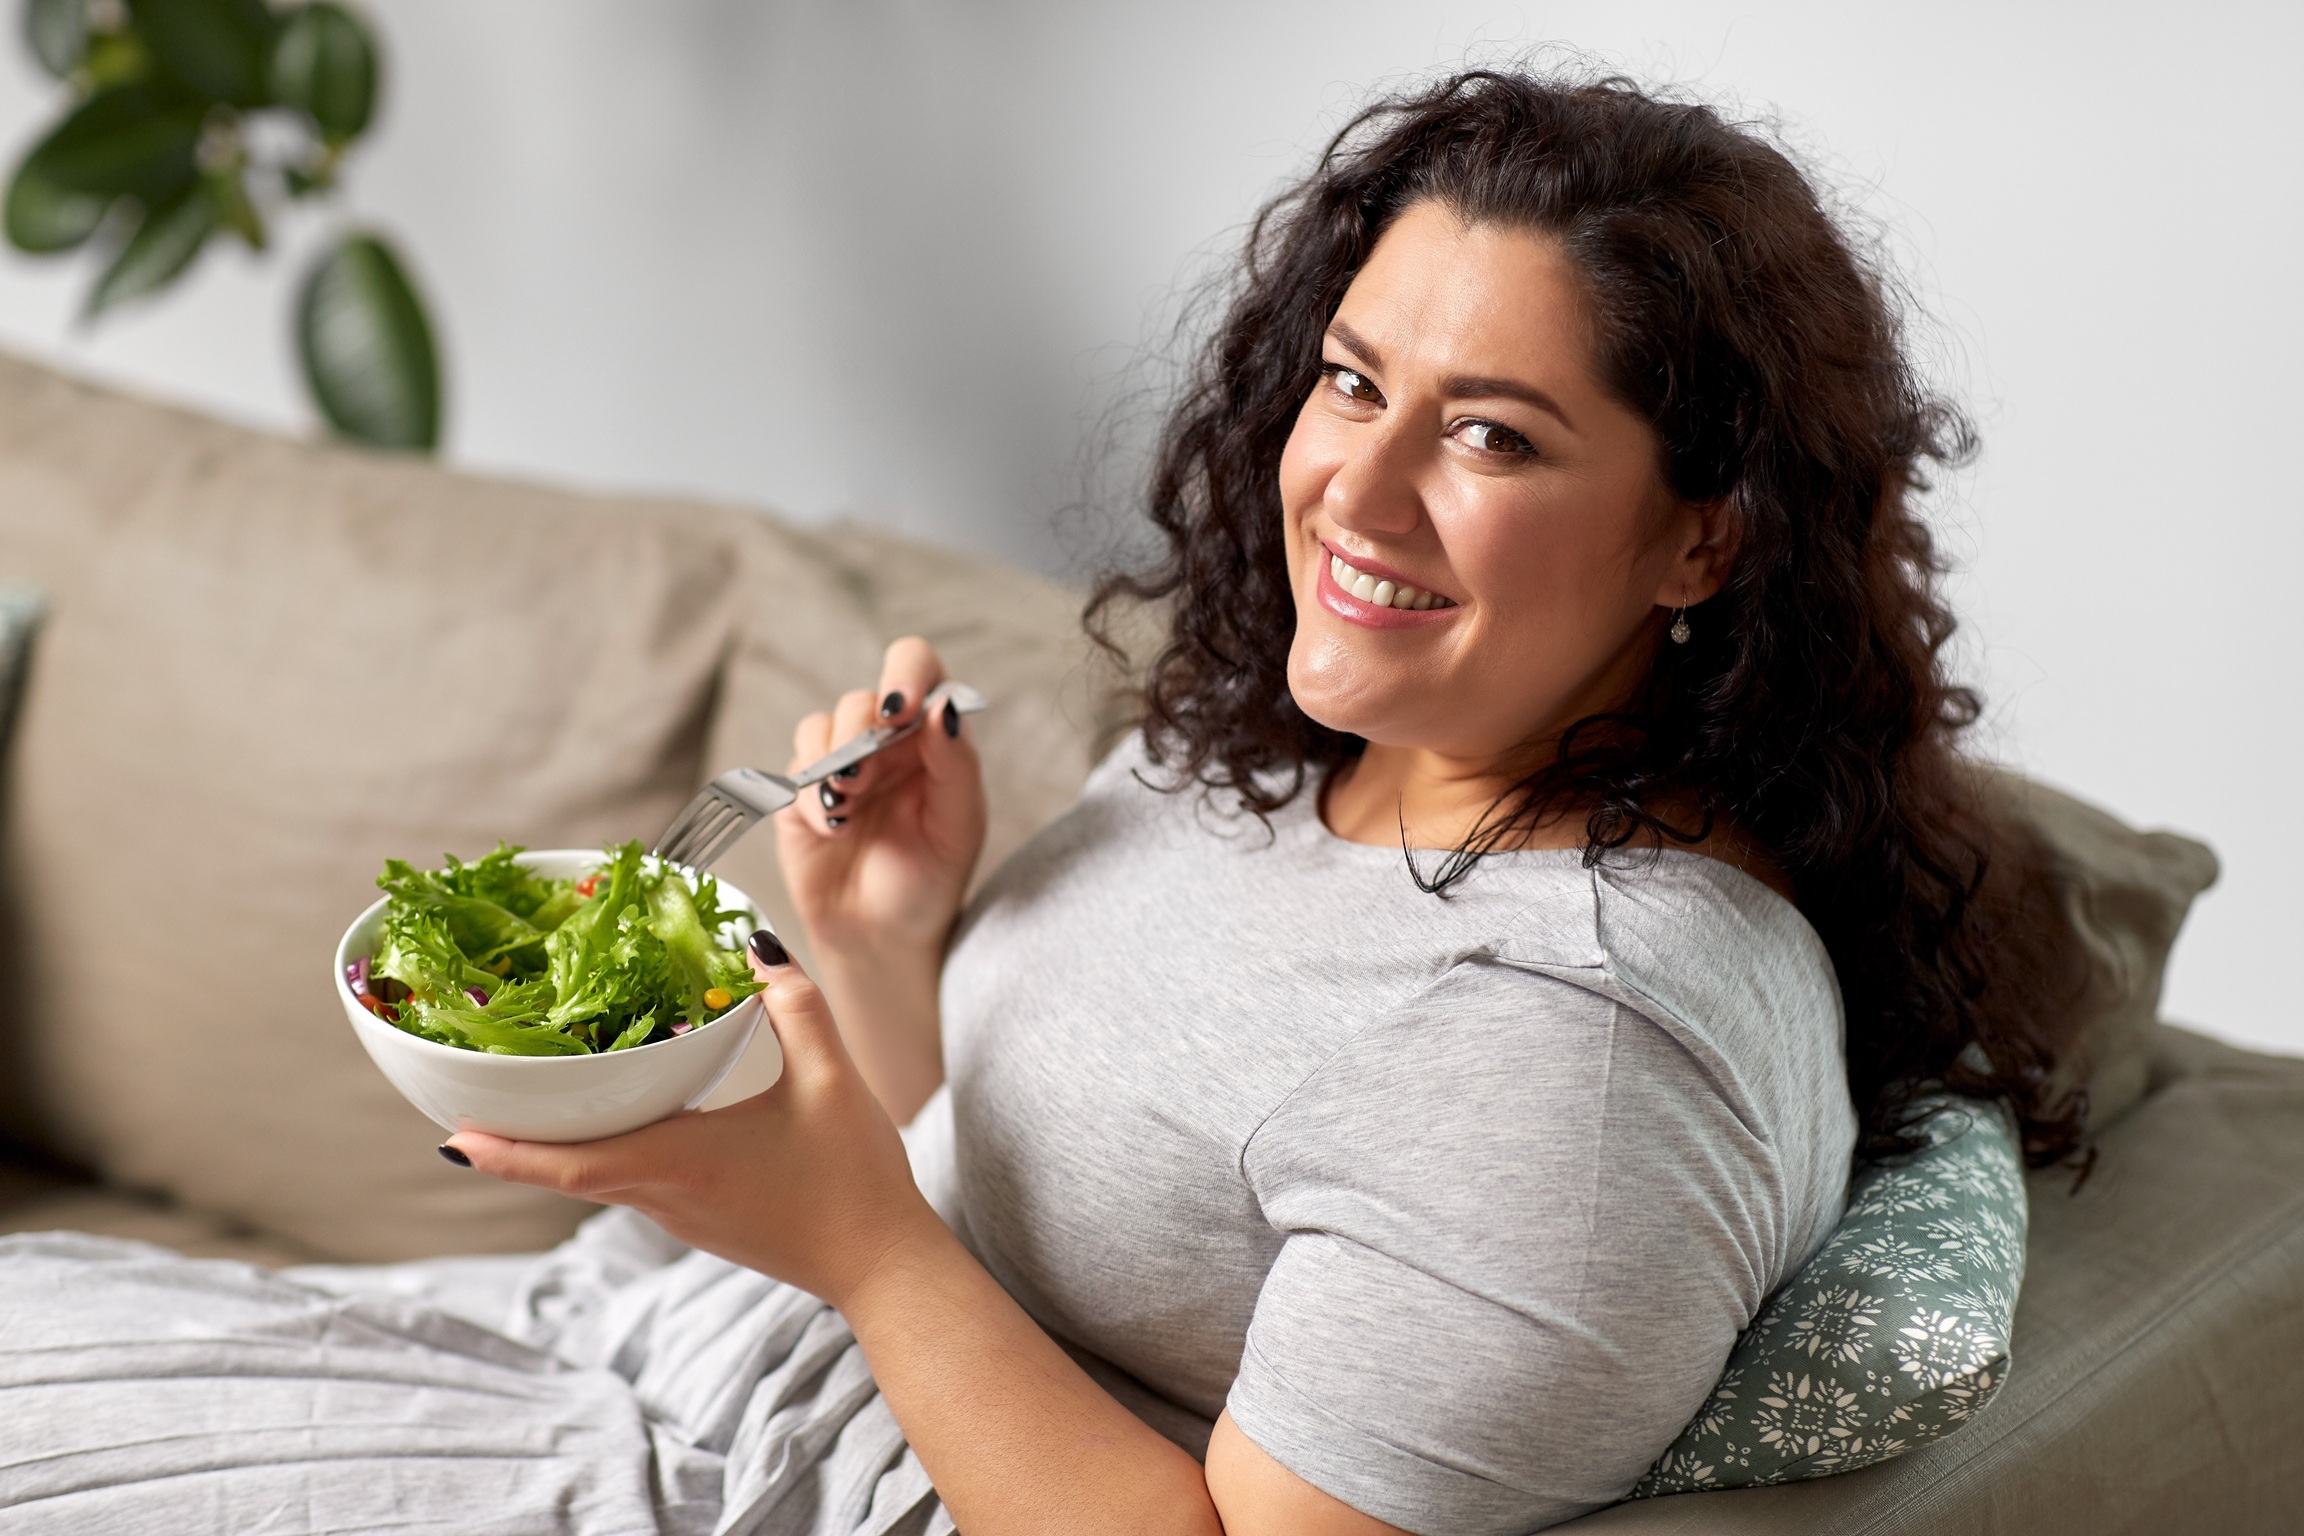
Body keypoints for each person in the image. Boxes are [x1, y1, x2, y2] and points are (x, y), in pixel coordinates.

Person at [0, 69, 2086, 1536]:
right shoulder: (1335, 757)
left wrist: (852, 1250)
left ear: (1707, 541)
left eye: (1496, 436)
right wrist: (898, 932)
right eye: (1351, 381)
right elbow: (1049, 1223)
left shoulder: (1579, 1047)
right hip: (639, 1360)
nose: (1348, 489)